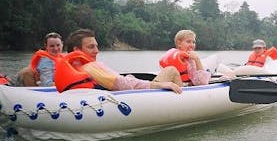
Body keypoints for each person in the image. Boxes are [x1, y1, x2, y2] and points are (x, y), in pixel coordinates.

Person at [54, 29, 182, 93]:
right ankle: (185, 93)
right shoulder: (90, 67)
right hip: (138, 94)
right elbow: (123, 84)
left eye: (97, 46)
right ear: (77, 50)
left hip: (119, 90)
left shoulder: (72, 68)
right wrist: (158, 85)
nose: (97, 51)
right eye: (91, 47)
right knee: (171, 70)